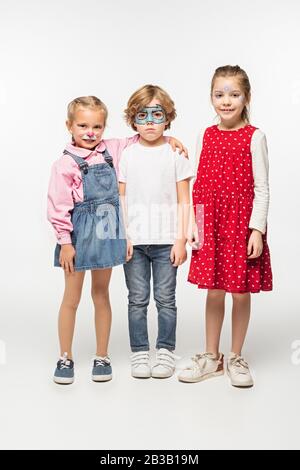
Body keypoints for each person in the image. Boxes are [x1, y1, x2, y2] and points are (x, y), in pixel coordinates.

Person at [47, 95, 186, 384]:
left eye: (97, 126)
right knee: (71, 298)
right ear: (69, 126)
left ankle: (102, 355)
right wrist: (65, 242)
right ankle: (65, 356)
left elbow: (143, 136)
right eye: (83, 125)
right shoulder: (64, 164)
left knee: (101, 294)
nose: (90, 132)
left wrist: (171, 139)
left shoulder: (111, 149)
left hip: (109, 232)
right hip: (78, 237)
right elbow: (58, 207)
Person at [178, 66, 273, 387]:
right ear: (211, 98)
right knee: (214, 291)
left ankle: (235, 356)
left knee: (241, 292)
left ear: (246, 98)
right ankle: (211, 356)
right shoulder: (205, 135)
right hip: (213, 225)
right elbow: (198, 183)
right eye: (219, 95)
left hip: (240, 227)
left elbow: (262, 187)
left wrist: (256, 229)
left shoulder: (255, 136)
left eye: (234, 94)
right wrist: (195, 224)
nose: (226, 101)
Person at [119, 85, 194, 379]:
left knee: (166, 299)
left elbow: (184, 199)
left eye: (157, 114)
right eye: (142, 115)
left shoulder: (176, 154)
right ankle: (139, 352)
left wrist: (181, 239)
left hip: (166, 242)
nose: (150, 121)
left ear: (168, 118)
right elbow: (120, 198)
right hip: (134, 242)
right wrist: (121, 236)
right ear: (133, 120)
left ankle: (165, 350)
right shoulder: (127, 155)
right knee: (137, 299)